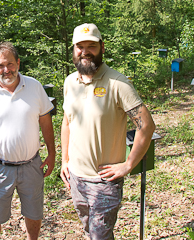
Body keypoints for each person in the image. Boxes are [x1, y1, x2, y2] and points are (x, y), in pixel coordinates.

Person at [60, 23, 156, 239]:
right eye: (80, 47)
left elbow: (146, 126)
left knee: (99, 236)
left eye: (91, 46)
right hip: (76, 178)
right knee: (89, 231)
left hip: (103, 182)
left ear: (102, 47)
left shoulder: (118, 83)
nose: (85, 52)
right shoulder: (69, 82)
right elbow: (67, 122)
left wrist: (129, 164)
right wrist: (64, 160)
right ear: (73, 50)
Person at [0, 42, 56, 240]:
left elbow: (45, 121)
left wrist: (52, 153)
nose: (6, 70)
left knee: (34, 214)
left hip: (32, 165)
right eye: (0, 65)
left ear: (18, 63)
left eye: (10, 64)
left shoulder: (34, 86)